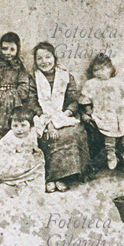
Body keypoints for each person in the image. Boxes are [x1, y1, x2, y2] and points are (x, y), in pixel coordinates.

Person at [28, 42, 90, 193]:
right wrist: (47, 120)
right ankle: (51, 178)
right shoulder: (33, 78)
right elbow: (32, 102)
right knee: (48, 136)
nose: (44, 61)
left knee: (71, 133)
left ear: (54, 58)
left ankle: (64, 177)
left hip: (65, 116)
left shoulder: (66, 76)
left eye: (48, 57)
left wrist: (66, 113)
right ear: (35, 61)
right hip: (42, 117)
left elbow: (73, 100)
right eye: (39, 58)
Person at [79, 53, 124, 170]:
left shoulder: (117, 81)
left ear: (111, 69)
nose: (99, 73)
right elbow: (85, 99)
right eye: (96, 70)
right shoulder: (91, 83)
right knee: (108, 130)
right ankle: (110, 154)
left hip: (120, 111)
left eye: (103, 69)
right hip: (103, 112)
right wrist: (88, 110)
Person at [0, 106, 45, 198]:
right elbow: (2, 151)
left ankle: (25, 183)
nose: (19, 129)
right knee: (12, 165)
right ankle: (13, 182)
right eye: (15, 126)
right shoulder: (10, 137)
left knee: (39, 163)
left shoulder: (33, 132)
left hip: (28, 161)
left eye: (23, 125)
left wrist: (36, 118)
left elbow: (41, 123)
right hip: (13, 160)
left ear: (30, 125)